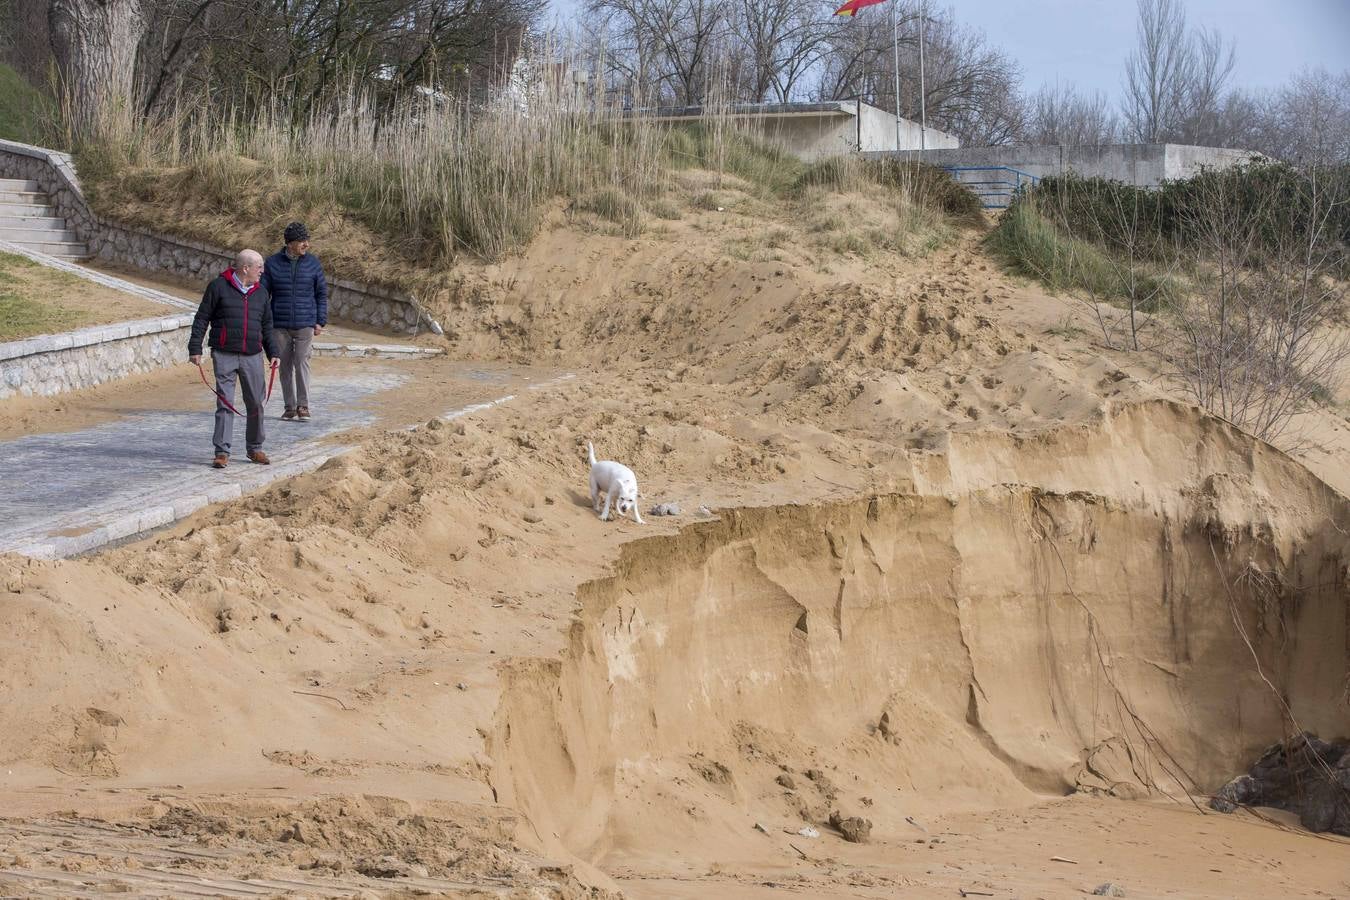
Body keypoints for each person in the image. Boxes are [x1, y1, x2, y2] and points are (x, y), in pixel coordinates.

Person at [188, 249, 280, 469]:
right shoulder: (218, 287)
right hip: (224, 353)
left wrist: (273, 352)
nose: (262, 271)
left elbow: (267, 326)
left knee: (256, 403)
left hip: (253, 355)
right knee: (224, 403)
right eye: (259, 267)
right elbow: (202, 318)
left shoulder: (261, 292)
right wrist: (195, 348)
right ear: (245, 268)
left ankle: (255, 448)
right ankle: (222, 452)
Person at [261, 221, 329, 422]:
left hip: (305, 323)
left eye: (307, 240)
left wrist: (320, 321)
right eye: (302, 241)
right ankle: (289, 406)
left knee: (302, 363)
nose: (306, 244)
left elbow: (321, 293)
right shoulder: (272, 263)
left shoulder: (313, 264)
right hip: (279, 325)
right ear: (290, 243)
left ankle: (303, 406)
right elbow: (263, 295)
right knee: (284, 366)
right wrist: (263, 323)